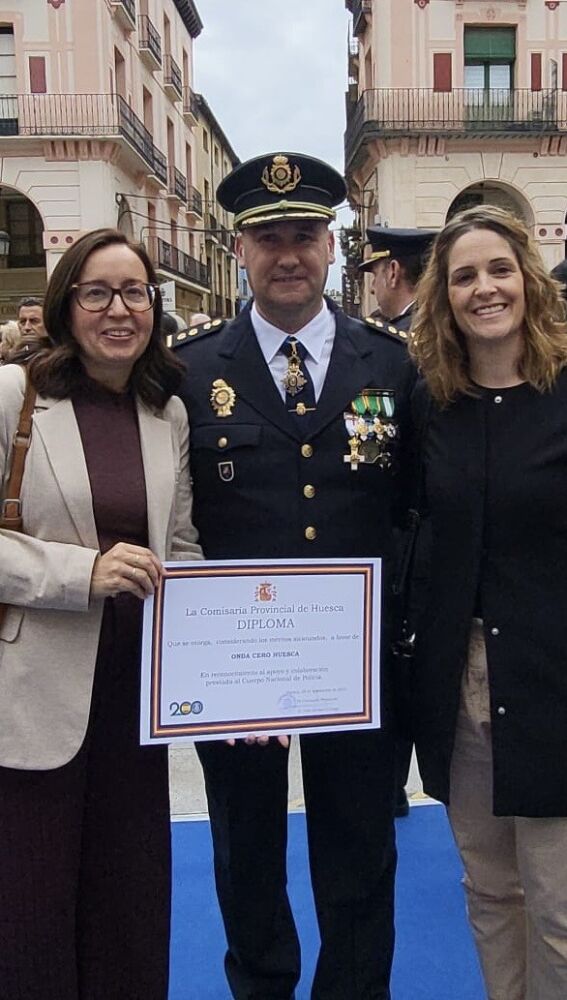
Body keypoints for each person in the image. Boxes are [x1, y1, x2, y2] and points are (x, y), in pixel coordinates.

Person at [174, 151, 415, 1000]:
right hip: (234, 666)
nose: (287, 254)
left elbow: (418, 503)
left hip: (357, 660)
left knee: (360, 849)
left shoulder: (389, 363)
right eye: (267, 236)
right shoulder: (192, 368)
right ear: (238, 249)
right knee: (244, 851)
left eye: (304, 235)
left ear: (331, 245)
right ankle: (263, 988)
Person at [0, 228, 202, 999]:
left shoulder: (166, 415)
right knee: (30, 916)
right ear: (66, 305)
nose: (119, 310)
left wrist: (235, 672)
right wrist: (81, 573)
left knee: (128, 911)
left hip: (133, 705)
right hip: (33, 705)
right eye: (97, 292)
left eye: (134, 293)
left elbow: (180, 548)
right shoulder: (16, 398)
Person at [409, 204, 567, 1000]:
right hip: (460, 687)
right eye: (463, 276)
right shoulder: (430, 405)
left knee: (558, 909)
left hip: (552, 684)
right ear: (442, 296)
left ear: (528, 281)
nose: (483, 289)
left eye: (498, 270)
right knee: (490, 894)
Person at [359, 227, 435, 331]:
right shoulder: (439, 320)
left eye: (375, 275)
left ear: (393, 273)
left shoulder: (400, 336)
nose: (372, 289)